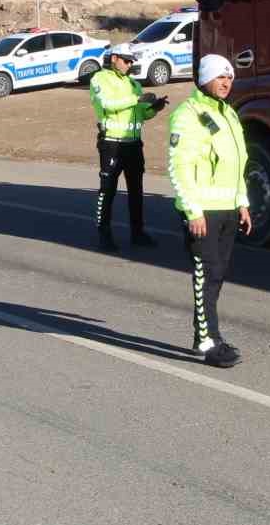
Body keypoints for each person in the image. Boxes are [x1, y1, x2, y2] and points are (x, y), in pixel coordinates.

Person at [166, 53, 251, 368]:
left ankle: (206, 333)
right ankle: (206, 341)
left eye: (229, 78)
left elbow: (237, 164)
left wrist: (242, 202)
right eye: (220, 77)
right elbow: (179, 167)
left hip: (227, 209)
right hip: (203, 212)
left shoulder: (228, 114)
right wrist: (193, 211)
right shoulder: (188, 115)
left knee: (216, 275)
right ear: (203, 79)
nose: (226, 83)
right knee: (205, 275)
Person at [89, 42, 167, 251]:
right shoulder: (100, 79)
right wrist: (136, 99)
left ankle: (137, 233)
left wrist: (154, 109)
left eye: (131, 61)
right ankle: (104, 234)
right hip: (111, 144)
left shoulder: (134, 84)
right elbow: (106, 103)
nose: (129, 64)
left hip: (133, 145)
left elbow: (141, 113)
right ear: (114, 58)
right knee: (108, 191)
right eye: (126, 60)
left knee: (136, 190)